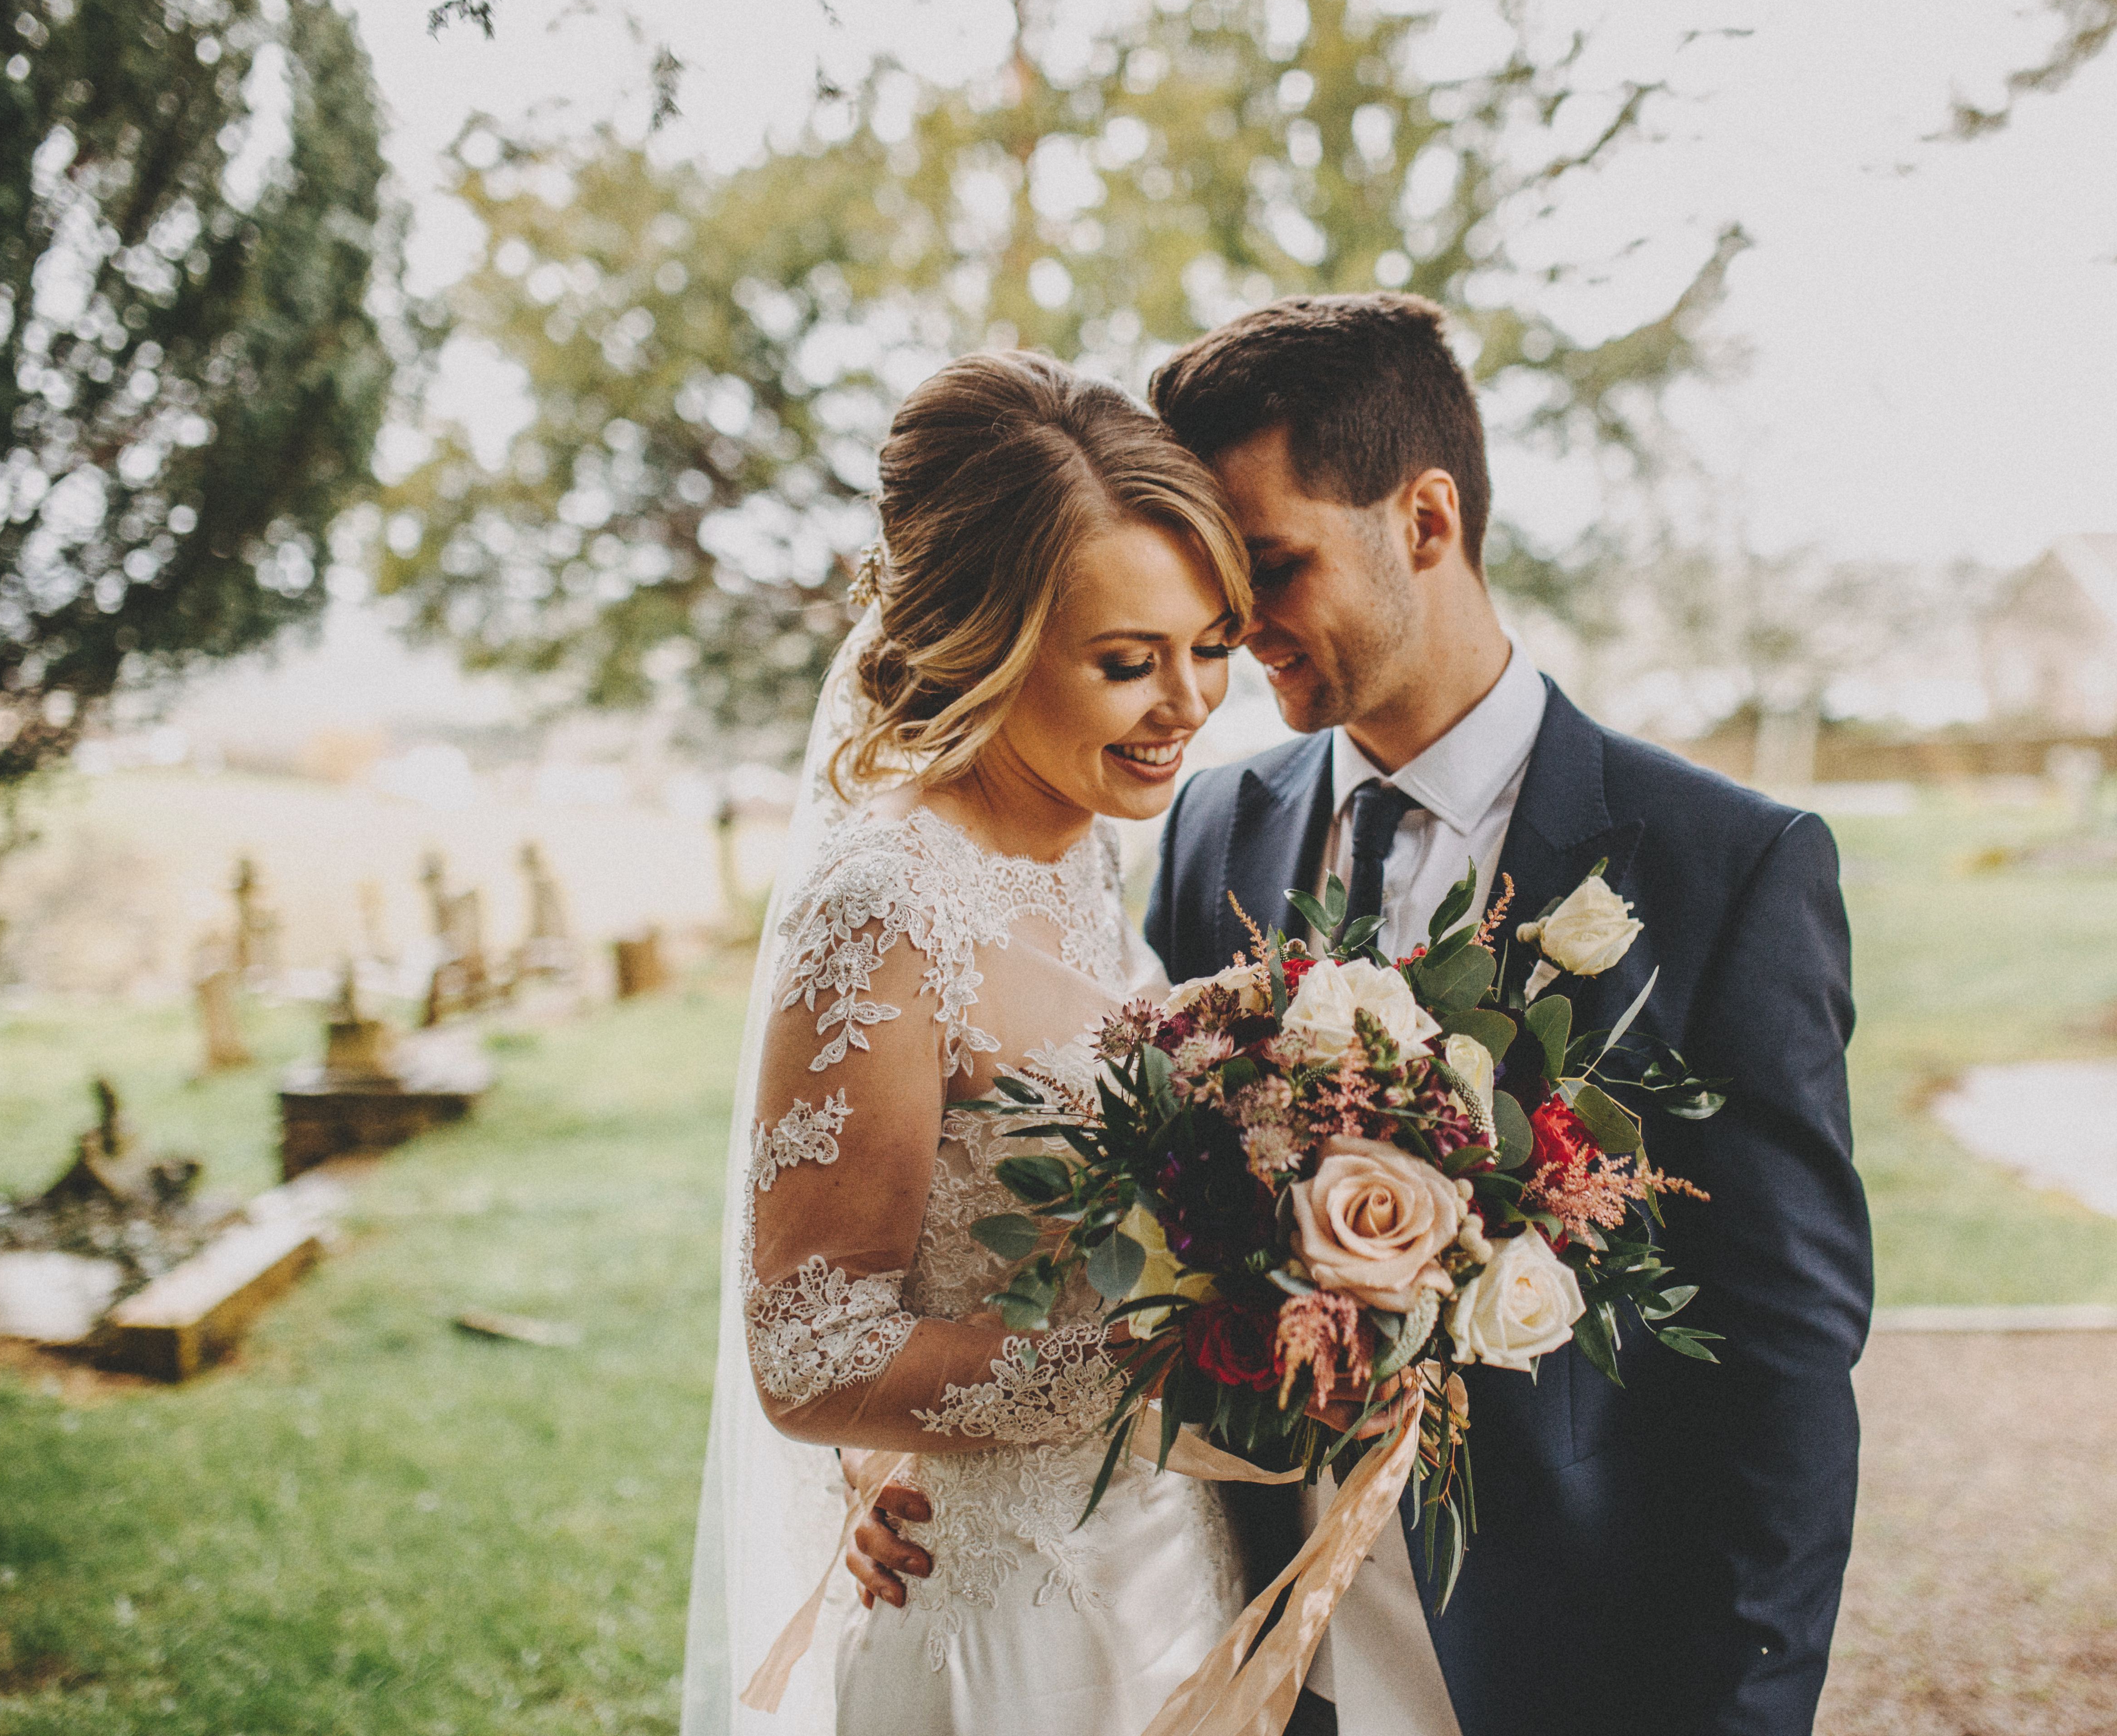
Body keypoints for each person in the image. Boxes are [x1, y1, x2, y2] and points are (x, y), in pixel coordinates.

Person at [847, 294, 1873, 1736]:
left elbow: (1785, 1366)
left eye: (1270, 568)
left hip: (1562, 1668)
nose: (1238, 634)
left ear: (1428, 521)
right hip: (1248, 1642)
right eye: (1210, 592)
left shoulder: (1725, 868)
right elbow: (1109, 1212)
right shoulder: (1212, 827)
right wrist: (900, 1455)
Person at [680, 348, 1261, 1736]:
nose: (1185, 705)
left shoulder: (1082, 859)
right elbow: (813, 1350)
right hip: (1006, 1635)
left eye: (1211, 648)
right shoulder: (884, 910)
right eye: (1128, 663)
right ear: (987, 642)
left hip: (1166, 1572)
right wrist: (1169, 1352)